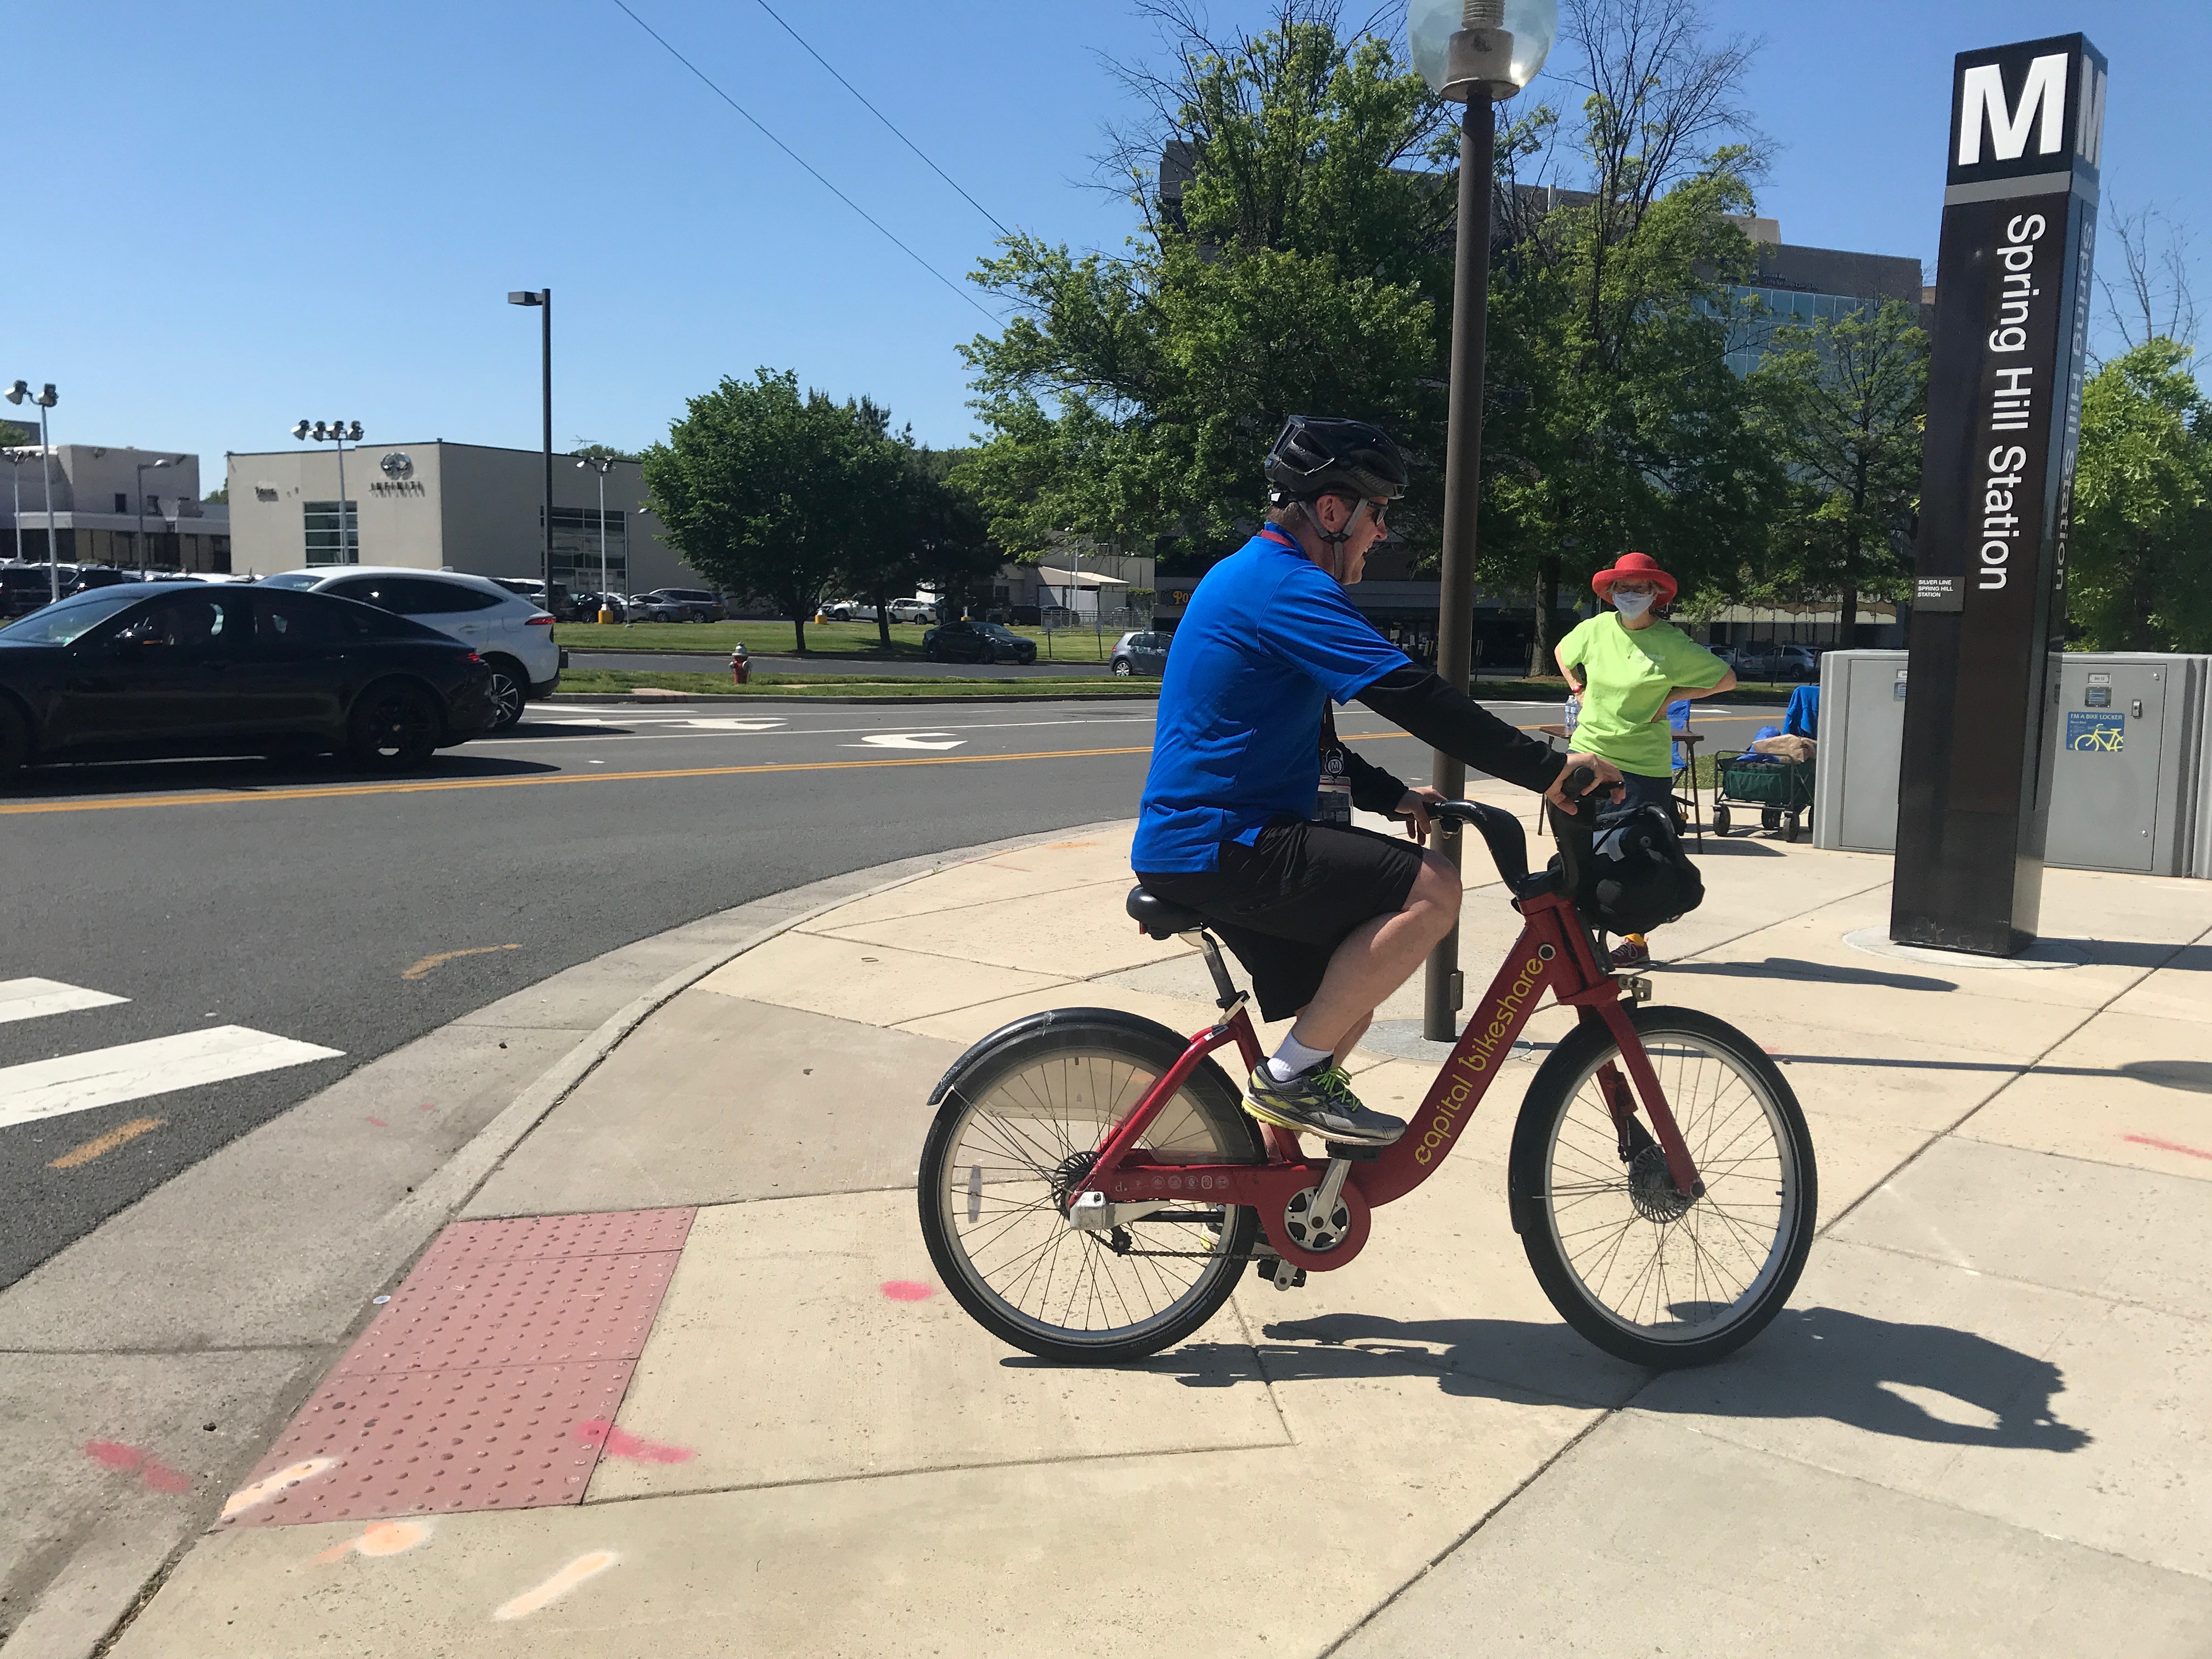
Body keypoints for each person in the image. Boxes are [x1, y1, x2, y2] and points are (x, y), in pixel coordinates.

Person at [1131, 416, 1623, 1148]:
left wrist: (1395, 797)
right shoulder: (1284, 585)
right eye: (1379, 513)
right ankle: (1290, 1081)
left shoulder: (1258, 577)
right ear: (1333, 511)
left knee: (1352, 978)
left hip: (1218, 839)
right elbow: (1412, 694)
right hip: (1221, 840)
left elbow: (1314, 741)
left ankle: (1266, 1189)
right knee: (1433, 887)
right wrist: (1551, 772)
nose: (1382, 533)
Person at [1554, 551, 1735, 971]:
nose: (1630, 594)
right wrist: (1576, 685)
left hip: (1641, 766)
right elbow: (1564, 651)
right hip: (1588, 752)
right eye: (1622, 587)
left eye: (1639, 588)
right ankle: (1580, 937)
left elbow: (1725, 678)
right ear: (1610, 592)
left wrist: (1673, 696)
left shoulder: (1672, 643)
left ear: (1656, 594)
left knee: (1630, 858)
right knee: (1578, 853)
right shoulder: (1596, 629)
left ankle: (1634, 939)